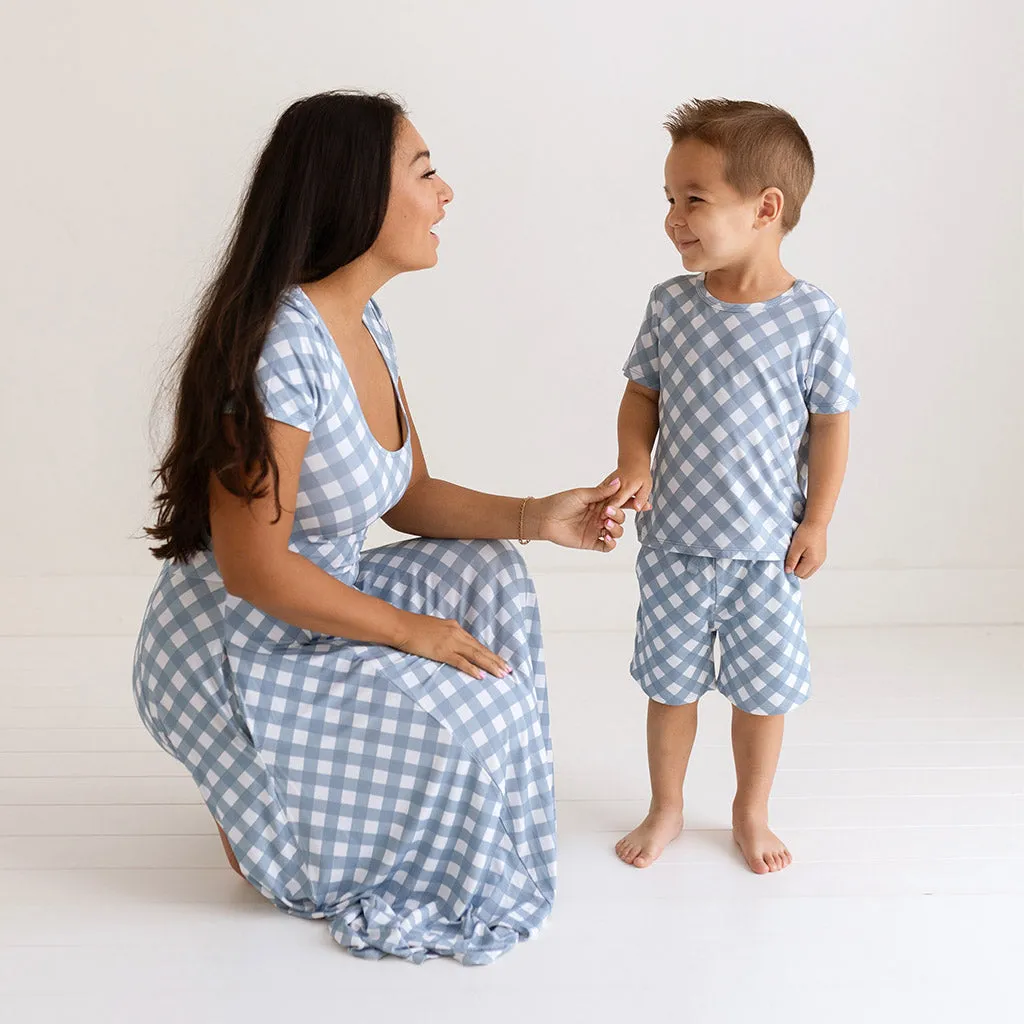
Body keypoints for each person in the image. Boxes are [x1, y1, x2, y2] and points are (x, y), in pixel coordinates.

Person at [133, 90, 627, 965]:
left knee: (489, 574)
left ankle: (339, 795)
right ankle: (268, 799)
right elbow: (253, 570)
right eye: (426, 172)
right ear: (358, 193)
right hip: (237, 641)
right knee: (463, 701)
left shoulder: (361, 322)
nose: (447, 195)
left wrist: (534, 518)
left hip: (317, 596)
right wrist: (414, 635)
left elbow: (410, 495)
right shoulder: (279, 345)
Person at [608, 99, 859, 874]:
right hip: (677, 544)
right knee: (670, 687)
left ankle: (750, 810)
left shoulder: (813, 317)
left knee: (763, 694)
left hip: (765, 553)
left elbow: (830, 424)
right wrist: (635, 463)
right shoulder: (672, 306)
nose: (672, 219)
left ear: (765, 209)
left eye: (693, 200)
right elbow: (641, 395)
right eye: (669, 199)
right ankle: (667, 806)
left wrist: (816, 521)